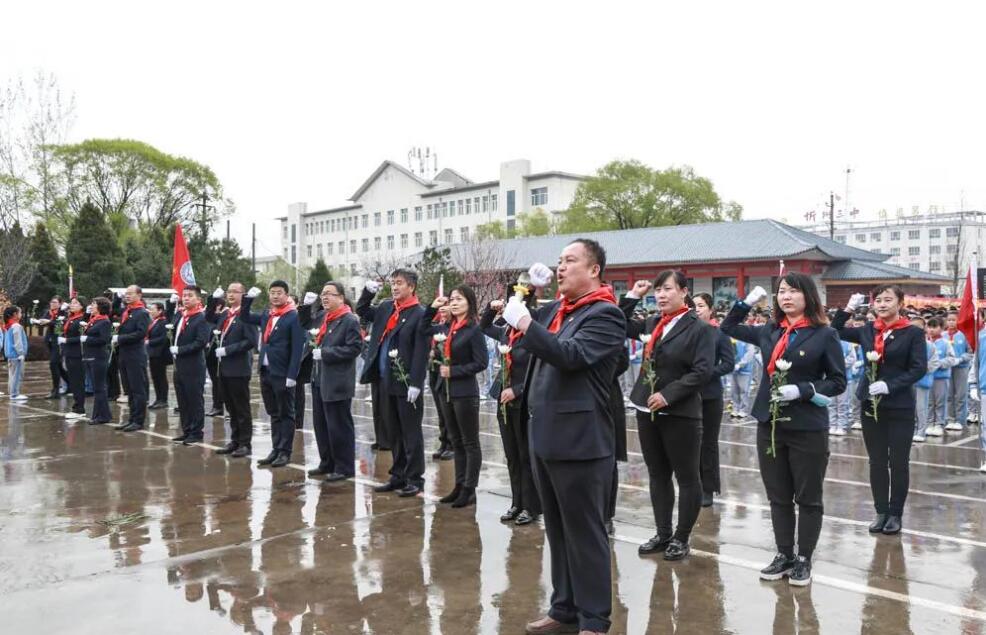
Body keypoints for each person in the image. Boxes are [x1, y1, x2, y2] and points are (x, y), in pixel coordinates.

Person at [500, 239, 625, 635]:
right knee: (556, 530)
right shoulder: (560, 310)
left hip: (580, 441)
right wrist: (523, 290)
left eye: (570, 261)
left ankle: (594, 619)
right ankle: (565, 608)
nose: (561, 268)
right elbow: (523, 323)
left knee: (585, 533)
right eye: (559, 261)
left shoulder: (605, 314)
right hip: (546, 435)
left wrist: (525, 322)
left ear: (594, 269)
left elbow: (570, 355)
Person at [722, 273, 846, 587]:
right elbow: (727, 328)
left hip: (807, 425)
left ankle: (804, 558)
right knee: (778, 496)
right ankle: (784, 554)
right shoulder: (770, 330)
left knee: (808, 496)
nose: (786, 297)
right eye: (781, 292)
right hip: (771, 423)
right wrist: (746, 303)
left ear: (808, 296)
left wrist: (803, 390)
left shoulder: (824, 334)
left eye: (793, 291)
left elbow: (837, 381)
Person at [623, 273, 715, 561]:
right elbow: (618, 323)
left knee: (686, 477)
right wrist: (632, 297)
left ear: (684, 292)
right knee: (657, 473)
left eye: (667, 289)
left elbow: (702, 371)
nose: (661, 295)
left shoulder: (699, 329)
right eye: (658, 290)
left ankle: (681, 537)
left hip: (680, 412)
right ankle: (662, 533)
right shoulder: (653, 323)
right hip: (646, 409)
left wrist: (668, 394)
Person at [834, 286, 926, 536]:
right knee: (876, 461)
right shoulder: (867, 330)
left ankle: (895, 513)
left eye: (888, 300)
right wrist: (848, 309)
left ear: (900, 303)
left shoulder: (912, 333)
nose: (882, 305)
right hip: (870, 403)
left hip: (899, 405)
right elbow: (835, 330)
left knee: (898, 461)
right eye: (878, 301)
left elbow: (918, 368)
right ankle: (881, 511)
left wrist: (890, 385)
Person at [356, 269, 430, 498]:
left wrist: (416, 382)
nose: (395, 287)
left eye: (399, 283)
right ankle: (398, 475)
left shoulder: (419, 314)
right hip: (383, 379)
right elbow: (362, 310)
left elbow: (421, 352)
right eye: (393, 283)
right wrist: (368, 292)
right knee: (393, 432)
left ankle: (415, 479)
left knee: (411, 433)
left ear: (411, 287)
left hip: (406, 382)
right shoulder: (387, 307)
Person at [421, 285, 489, 508]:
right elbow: (423, 328)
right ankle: (459, 485)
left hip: (464, 392)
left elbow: (481, 362)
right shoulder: (449, 327)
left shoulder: (473, 330)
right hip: (445, 391)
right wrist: (433, 308)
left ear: (469, 302)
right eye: (452, 299)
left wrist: (454, 371)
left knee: (470, 442)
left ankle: (470, 489)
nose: (454, 303)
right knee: (456, 441)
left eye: (459, 299)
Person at [481, 285, 541, 526]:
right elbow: (484, 327)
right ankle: (517, 502)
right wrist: (490, 309)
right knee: (512, 455)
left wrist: (517, 390)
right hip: (504, 400)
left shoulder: (533, 333)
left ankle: (531, 506)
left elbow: (539, 369)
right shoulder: (506, 331)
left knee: (526, 456)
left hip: (524, 401)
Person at [240, 280, 305, 467]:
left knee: (286, 413)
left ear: (286, 295)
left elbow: (297, 349)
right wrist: (248, 299)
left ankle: (285, 451)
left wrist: (292, 375)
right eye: (272, 292)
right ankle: (276, 449)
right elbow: (245, 316)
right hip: (266, 371)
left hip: (283, 373)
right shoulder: (267, 314)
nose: (275, 296)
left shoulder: (293, 316)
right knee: (273, 413)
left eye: (279, 292)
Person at [308, 281, 363, 481]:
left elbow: (355, 348)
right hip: (319, 378)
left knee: (338, 426)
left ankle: (344, 467)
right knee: (321, 425)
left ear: (341, 297)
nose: (324, 297)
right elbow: (305, 324)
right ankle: (327, 462)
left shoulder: (349, 320)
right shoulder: (324, 317)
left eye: (329, 293)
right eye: (323, 293)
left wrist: (326, 353)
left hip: (337, 381)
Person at [693, 292, 735, 507]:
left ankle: (707, 488)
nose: (696, 309)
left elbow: (728, 363)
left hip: (710, 396)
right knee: (689, 442)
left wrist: (706, 373)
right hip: (687, 395)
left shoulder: (719, 334)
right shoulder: (686, 332)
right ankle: (691, 485)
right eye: (693, 305)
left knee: (708, 443)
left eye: (701, 305)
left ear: (710, 309)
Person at [212, 283, 258, 458]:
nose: (230, 295)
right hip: (223, 367)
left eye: (235, 292)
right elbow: (209, 318)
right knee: (230, 407)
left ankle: (245, 443)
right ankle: (235, 440)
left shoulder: (246, 315)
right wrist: (212, 300)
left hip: (238, 367)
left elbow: (251, 341)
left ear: (243, 295)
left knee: (241, 408)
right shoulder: (226, 314)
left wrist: (228, 350)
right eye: (228, 292)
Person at [169, 286, 212, 445]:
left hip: (193, 365)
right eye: (184, 295)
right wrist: (170, 306)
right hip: (179, 364)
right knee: (182, 400)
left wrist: (180, 349)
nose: (186, 298)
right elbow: (171, 328)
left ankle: (196, 432)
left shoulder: (201, 318)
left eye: (190, 296)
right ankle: (186, 430)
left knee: (194, 400)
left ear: (198, 299)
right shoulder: (181, 315)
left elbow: (201, 342)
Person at [113, 285, 151, 432]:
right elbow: (114, 311)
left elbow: (141, 333)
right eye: (126, 293)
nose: (127, 296)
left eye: (130, 293)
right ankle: (131, 418)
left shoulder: (142, 313)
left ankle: (138, 420)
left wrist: (120, 338)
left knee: (137, 389)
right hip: (124, 354)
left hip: (135, 355)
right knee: (129, 389)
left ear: (139, 295)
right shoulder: (128, 311)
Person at [83, 297, 113, 425]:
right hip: (91, 356)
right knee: (97, 388)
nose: (92, 306)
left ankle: (102, 416)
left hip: (98, 357)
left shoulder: (104, 321)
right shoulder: (94, 320)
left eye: (94, 304)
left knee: (99, 388)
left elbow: (104, 340)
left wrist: (87, 339)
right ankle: (101, 414)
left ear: (100, 307)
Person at [58, 296, 89, 419]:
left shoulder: (82, 319)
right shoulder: (70, 318)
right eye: (71, 303)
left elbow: (82, 337)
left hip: (77, 354)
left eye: (75, 303)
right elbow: (61, 329)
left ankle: (79, 408)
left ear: (82, 306)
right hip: (69, 352)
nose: (72, 305)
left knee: (78, 382)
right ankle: (77, 407)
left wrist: (66, 340)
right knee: (74, 381)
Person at [925, 317, 956, 437]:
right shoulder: (925, 342)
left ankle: (939, 424)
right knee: (929, 402)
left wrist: (938, 364)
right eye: (929, 327)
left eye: (935, 327)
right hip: (927, 377)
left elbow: (952, 359)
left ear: (941, 328)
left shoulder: (945, 343)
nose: (931, 330)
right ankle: (929, 423)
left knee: (940, 402)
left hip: (941, 377)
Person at [910, 316, 939, 443]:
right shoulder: (906, 344)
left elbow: (934, 363)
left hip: (923, 381)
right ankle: (911, 431)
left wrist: (921, 369)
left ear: (924, 328)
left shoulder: (929, 345)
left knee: (921, 408)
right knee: (910, 407)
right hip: (908, 382)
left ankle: (921, 431)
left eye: (918, 326)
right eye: (912, 326)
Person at [33, 296, 67, 398]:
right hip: (50, 341)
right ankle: (71, 385)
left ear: (60, 304)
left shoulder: (63, 313)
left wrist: (49, 322)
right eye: (51, 302)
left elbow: (61, 324)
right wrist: (37, 322)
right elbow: (42, 322)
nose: (52, 304)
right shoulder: (48, 312)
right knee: (58, 366)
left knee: (53, 364)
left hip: (59, 342)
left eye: (55, 302)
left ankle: (55, 390)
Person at [945, 311, 974, 431]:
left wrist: (960, 359)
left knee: (960, 395)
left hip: (961, 368)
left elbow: (970, 352)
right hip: (947, 369)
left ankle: (960, 420)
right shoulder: (943, 335)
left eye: (954, 320)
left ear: (958, 321)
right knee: (949, 395)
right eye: (949, 320)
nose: (951, 322)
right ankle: (950, 419)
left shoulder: (964, 335)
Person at [828, 337, 858, 436]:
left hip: (845, 379)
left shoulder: (847, 344)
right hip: (830, 380)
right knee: (831, 403)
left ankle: (842, 426)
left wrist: (839, 364)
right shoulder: (828, 342)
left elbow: (852, 358)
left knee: (842, 404)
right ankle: (832, 425)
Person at [204, 293, 227, 418]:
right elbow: (208, 315)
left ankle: (219, 406)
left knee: (218, 381)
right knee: (215, 381)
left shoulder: (224, 315)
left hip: (219, 354)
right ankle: (217, 406)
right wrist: (212, 298)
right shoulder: (213, 317)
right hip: (211, 355)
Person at [146, 302, 173, 409]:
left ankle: (163, 399)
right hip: (153, 353)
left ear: (160, 310)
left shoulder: (163, 322)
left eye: (153, 309)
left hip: (160, 354)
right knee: (155, 377)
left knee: (161, 377)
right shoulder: (154, 321)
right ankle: (158, 399)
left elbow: (163, 338)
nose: (151, 311)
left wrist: (149, 342)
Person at [3, 306, 28, 401]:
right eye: (20, 312)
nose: (21, 314)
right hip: (17, 355)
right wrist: (21, 353)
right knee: (17, 375)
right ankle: (14, 394)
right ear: (15, 314)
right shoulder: (16, 326)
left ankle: (12, 393)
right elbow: (18, 342)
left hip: (10, 355)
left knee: (12, 375)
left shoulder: (8, 326)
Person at [730, 336, 756, 418]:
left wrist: (741, 364)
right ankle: (735, 408)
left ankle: (743, 410)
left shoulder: (747, 339)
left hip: (745, 370)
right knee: (734, 390)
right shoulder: (733, 337)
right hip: (734, 369)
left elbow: (750, 354)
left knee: (744, 390)